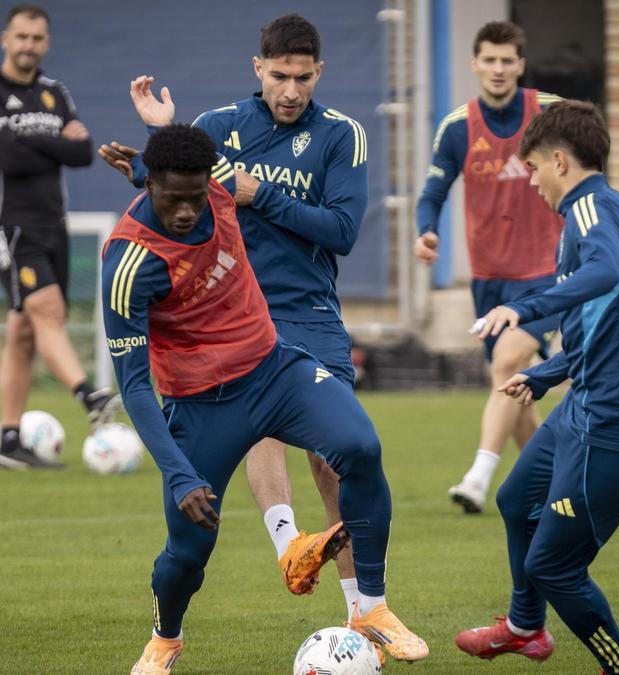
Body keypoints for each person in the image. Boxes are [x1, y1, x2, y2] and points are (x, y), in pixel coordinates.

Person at [100, 125, 426, 674]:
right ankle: (165, 637)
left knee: (360, 448)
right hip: (202, 405)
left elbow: (187, 176)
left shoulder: (220, 186)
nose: (185, 211)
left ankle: (370, 608)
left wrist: (150, 166)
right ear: (150, 187)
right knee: (186, 554)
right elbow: (133, 385)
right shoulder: (129, 263)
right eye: (170, 198)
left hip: (275, 370)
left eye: (194, 196)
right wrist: (179, 474)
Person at [124, 13, 369, 617]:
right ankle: (290, 548)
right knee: (258, 421)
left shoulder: (343, 135)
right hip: (231, 311)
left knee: (336, 455)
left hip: (308, 309)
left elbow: (342, 231)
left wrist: (264, 195)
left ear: (320, 73)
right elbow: (183, 194)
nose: (290, 91)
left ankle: (363, 610)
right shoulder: (218, 127)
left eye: (303, 78)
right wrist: (147, 156)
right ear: (257, 68)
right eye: (279, 76)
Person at [454, 101, 619, 675]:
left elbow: (599, 273)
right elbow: (614, 324)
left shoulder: (588, 213)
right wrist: (546, 373)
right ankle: (525, 629)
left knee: (554, 566)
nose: (530, 181)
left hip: (616, 426)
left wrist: (522, 309)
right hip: (587, 404)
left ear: (557, 161)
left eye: (531, 168)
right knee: (515, 500)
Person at [413, 21, 564, 514]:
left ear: (521, 65)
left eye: (507, 61)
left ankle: (479, 478)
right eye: (490, 60)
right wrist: (427, 230)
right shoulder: (458, 126)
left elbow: (594, 151)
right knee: (513, 385)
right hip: (489, 281)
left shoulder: (550, 113)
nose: (498, 69)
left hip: (546, 276)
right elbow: (433, 191)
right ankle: (551, 481)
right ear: (474, 64)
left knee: (506, 365)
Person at [0, 4, 119, 469]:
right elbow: (8, 160)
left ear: (45, 43)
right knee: (46, 309)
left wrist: (26, 140)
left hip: (55, 223)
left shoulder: (56, 92)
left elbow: (85, 152)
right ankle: (88, 394)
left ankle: (9, 442)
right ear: (5, 39)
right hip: (8, 223)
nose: (28, 45)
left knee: (24, 331)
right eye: (21, 36)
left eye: (37, 38)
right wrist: (56, 145)